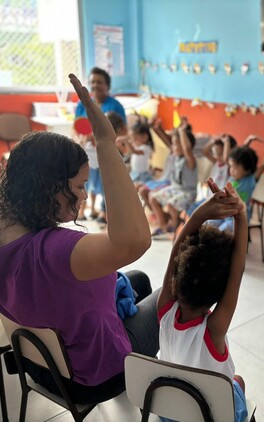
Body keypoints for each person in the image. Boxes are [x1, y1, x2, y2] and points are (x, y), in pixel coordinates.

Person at [0, 74, 159, 404]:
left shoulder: (9, 229)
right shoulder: (56, 251)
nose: (85, 196)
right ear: (51, 187)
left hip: (38, 365)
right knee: (170, 295)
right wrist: (105, 141)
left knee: (137, 279)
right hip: (89, 379)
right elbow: (134, 240)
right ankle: (151, 383)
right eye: (79, 186)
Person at [157, 178, 248, 422]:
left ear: (177, 276)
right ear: (220, 295)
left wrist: (198, 215)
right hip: (210, 416)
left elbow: (176, 250)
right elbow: (237, 272)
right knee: (238, 382)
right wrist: (241, 215)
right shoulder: (213, 330)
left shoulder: (164, 309)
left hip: (170, 410)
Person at [74, 67, 126, 223]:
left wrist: (97, 138)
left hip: (106, 153)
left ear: (107, 86)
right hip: (87, 152)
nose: (95, 85)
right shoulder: (82, 104)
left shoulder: (115, 106)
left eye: (99, 82)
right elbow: (76, 126)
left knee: (105, 183)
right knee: (83, 178)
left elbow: (123, 132)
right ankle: (82, 210)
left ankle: (105, 213)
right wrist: (81, 138)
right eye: (92, 82)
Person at [208, 141, 264, 232]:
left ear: (246, 169)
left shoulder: (251, 179)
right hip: (225, 212)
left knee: (222, 230)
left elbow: (263, 166)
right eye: (231, 167)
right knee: (209, 223)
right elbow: (239, 155)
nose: (231, 170)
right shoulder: (232, 178)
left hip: (238, 217)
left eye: (235, 168)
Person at [149, 122, 198, 236]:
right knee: (153, 197)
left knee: (171, 204)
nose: (174, 147)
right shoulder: (176, 156)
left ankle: (175, 227)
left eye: (177, 145)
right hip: (175, 189)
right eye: (174, 144)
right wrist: (157, 128)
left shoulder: (189, 160)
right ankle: (163, 225)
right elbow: (168, 141)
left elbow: (186, 148)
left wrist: (181, 131)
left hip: (187, 193)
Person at [126, 119, 154, 184]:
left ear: (145, 137)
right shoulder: (137, 147)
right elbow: (129, 152)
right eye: (132, 139)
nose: (133, 141)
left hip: (142, 175)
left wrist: (126, 142)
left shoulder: (146, 148)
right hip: (135, 172)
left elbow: (135, 152)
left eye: (135, 139)